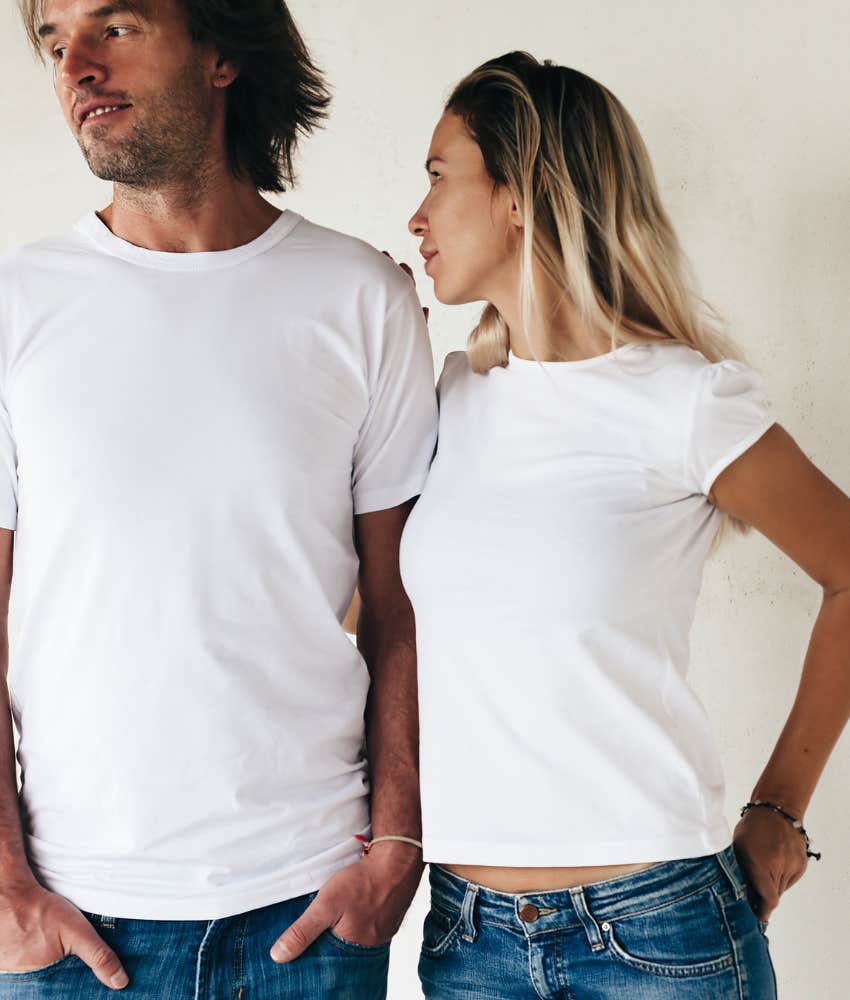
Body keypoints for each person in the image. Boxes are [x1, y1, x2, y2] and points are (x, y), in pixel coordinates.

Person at [0, 1, 437, 997]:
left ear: (222, 55)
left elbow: (402, 604)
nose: (76, 68)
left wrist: (398, 843)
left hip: (311, 911)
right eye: (51, 39)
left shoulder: (360, 298)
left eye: (115, 27)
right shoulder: (16, 306)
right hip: (76, 924)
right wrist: (5, 885)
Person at [400, 51, 850, 998]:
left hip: (656, 934)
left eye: (440, 177)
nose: (418, 214)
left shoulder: (684, 400)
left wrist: (779, 809)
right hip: (466, 937)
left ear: (521, 194)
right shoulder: (452, 399)